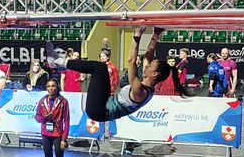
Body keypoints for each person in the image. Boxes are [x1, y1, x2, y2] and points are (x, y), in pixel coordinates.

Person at [46, 27, 187, 122]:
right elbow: (148, 54)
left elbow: (131, 60)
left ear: (154, 73)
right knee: (102, 67)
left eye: (150, 66)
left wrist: (137, 35)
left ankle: (57, 61)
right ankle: (58, 61)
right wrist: (156, 34)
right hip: (106, 101)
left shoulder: (140, 91)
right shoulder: (148, 83)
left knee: (99, 67)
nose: (147, 65)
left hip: (98, 111)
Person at [35, 79, 71, 157]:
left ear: (57, 87)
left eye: (53, 86)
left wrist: (64, 139)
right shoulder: (42, 101)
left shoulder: (63, 101)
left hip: (58, 135)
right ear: (46, 88)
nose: (51, 88)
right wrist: (44, 118)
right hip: (45, 134)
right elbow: (37, 117)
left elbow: (67, 121)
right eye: (49, 86)